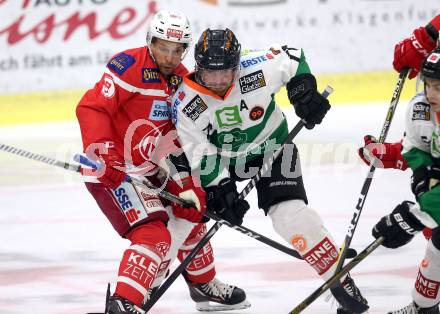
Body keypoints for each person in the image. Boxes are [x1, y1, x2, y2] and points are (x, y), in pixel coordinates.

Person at [170, 28, 369, 313]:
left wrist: (303, 92)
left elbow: (293, 56)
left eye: (225, 72)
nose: (216, 81)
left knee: (290, 217)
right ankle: (158, 283)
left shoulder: (258, 66)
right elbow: (199, 149)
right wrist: (221, 188)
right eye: (208, 73)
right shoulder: (185, 101)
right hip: (225, 160)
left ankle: (340, 280)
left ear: (237, 64)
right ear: (197, 67)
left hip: (275, 148)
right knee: (187, 216)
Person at [76, 10, 249, 314]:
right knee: (154, 233)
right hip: (112, 171)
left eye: (176, 49)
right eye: (162, 47)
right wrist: (102, 153)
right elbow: (92, 108)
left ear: (185, 49)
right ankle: (125, 301)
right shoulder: (128, 66)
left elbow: (179, 135)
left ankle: (203, 285)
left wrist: (188, 184)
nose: (169, 56)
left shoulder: (184, 80)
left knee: (193, 209)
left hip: (155, 167)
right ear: (150, 41)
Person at [361, 49, 440, 313]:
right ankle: (424, 307)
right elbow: (417, 148)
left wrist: (417, 216)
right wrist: (419, 175)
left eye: (439, 87)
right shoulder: (421, 110)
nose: (431, 95)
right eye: (428, 85)